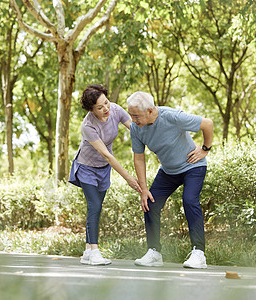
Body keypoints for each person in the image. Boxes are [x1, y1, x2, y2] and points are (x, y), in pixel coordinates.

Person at [127, 91, 213, 269]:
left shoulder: (172, 117)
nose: (133, 120)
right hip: (168, 171)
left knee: (189, 200)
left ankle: (199, 253)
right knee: (150, 202)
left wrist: (205, 148)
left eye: (136, 116)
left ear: (150, 110)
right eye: (131, 115)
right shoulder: (136, 128)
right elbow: (139, 157)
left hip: (192, 166)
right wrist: (144, 189)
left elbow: (207, 124)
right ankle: (154, 252)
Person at [69, 84, 141, 266]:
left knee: (97, 206)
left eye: (106, 103)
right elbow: (107, 155)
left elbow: (135, 129)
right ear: (91, 110)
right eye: (100, 108)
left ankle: (87, 251)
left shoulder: (115, 110)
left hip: (103, 169)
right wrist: (129, 178)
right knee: (94, 206)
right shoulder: (88, 126)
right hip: (86, 167)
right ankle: (94, 251)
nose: (106, 109)